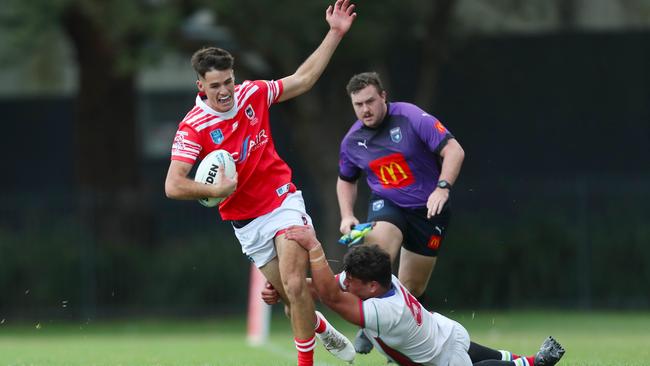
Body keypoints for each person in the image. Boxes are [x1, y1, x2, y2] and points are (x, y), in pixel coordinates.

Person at [164, 1, 357, 365]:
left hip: (281, 200)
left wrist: (334, 33)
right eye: (216, 85)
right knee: (290, 300)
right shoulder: (193, 127)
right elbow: (173, 185)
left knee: (297, 286)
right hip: (246, 222)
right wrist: (215, 191)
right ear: (201, 86)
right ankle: (321, 329)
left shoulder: (252, 94)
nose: (225, 92)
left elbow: (302, 79)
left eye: (229, 82)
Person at [264, 225, 566, 366]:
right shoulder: (379, 281)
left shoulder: (388, 312)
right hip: (445, 333)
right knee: (488, 355)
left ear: (370, 286)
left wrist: (315, 249)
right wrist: (287, 288)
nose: (347, 283)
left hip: (445, 359)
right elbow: (327, 286)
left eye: (351, 281)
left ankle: (533, 363)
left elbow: (329, 296)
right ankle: (531, 359)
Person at [337, 71, 466, 352]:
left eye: (370, 101)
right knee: (378, 257)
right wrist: (347, 215)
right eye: (358, 104)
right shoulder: (352, 140)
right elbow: (346, 179)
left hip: (430, 209)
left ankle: (398, 344)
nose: (365, 110)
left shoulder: (411, 117)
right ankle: (367, 326)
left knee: (411, 288)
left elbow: (454, 150)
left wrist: (442, 188)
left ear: (383, 96)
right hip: (388, 204)